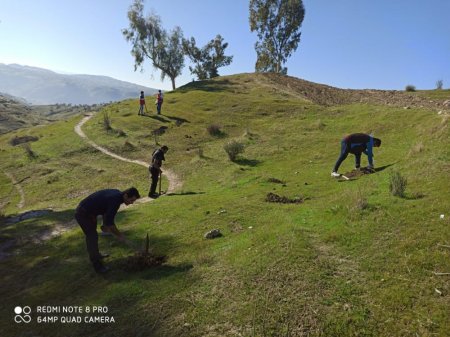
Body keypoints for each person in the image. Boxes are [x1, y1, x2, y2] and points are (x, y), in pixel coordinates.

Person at [75, 187, 140, 273]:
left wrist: (104, 224)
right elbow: (111, 224)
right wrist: (120, 235)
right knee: (92, 237)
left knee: (94, 236)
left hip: (89, 213)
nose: (132, 203)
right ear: (126, 195)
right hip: (83, 214)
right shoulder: (115, 201)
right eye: (131, 200)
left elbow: (106, 210)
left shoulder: (117, 194)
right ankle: (97, 265)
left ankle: (97, 255)